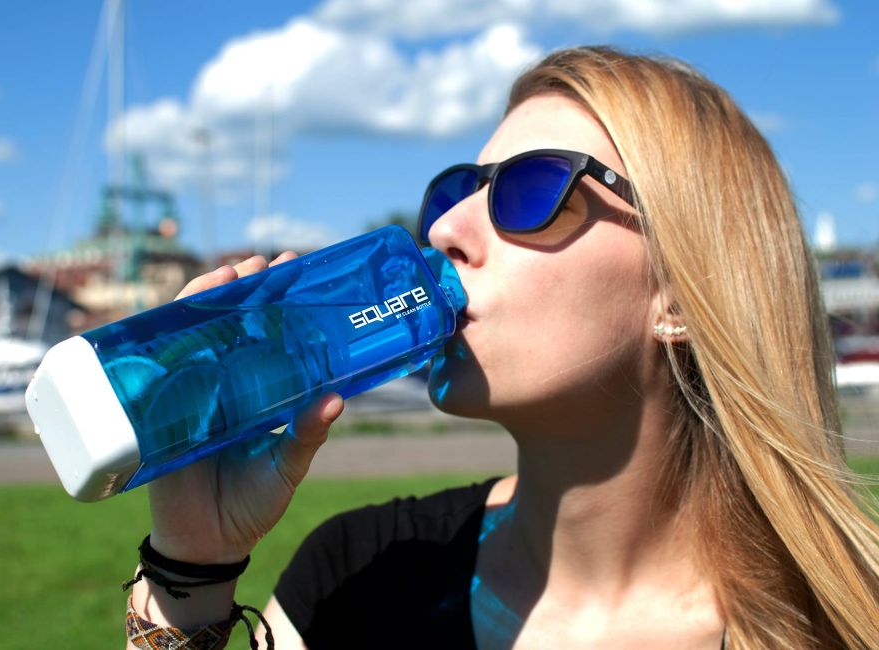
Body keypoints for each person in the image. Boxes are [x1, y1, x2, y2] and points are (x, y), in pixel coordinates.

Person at [124, 47, 879, 649]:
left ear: (681, 292)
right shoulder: (362, 575)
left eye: (533, 189)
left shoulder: (844, 621)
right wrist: (191, 568)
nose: (447, 229)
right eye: (456, 191)